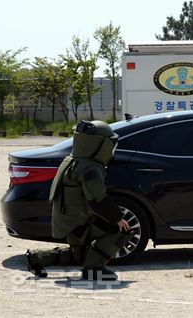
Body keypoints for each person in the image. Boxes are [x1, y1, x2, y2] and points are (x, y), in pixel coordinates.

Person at [26, 120, 132, 281]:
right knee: (121, 231)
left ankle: (36, 258)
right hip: (78, 221)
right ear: (100, 144)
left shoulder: (72, 160)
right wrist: (118, 218)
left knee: (79, 256)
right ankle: (93, 270)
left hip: (68, 219)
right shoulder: (90, 169)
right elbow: (98, 201)